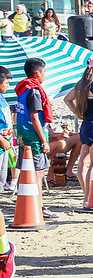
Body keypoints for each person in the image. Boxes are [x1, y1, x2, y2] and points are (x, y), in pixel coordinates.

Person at [64, 56, 93, 206]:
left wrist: (78, 113)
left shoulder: (81, 84)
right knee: (92, 163)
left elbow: (67, 99)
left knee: (83, 162)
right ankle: (90, 196)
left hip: (86, 124)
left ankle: (86, 195)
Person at [14, 58, 58, 218]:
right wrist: (44, 140)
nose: (45, 75)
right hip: (33, 138)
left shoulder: (22, 89)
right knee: (38, 173)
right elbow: (34, 117)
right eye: (44, 72)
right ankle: (37, 205)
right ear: (37, 73)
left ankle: (31, 203)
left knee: (27, 171)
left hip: (22, 136)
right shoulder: (34, 91)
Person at [0, 66, 15, 192]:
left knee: (2, 177)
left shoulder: (2, 98)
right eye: (6, 83)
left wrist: (9, 138)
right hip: (1, 142)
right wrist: (2, 140)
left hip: (5, 144)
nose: (8, 86)